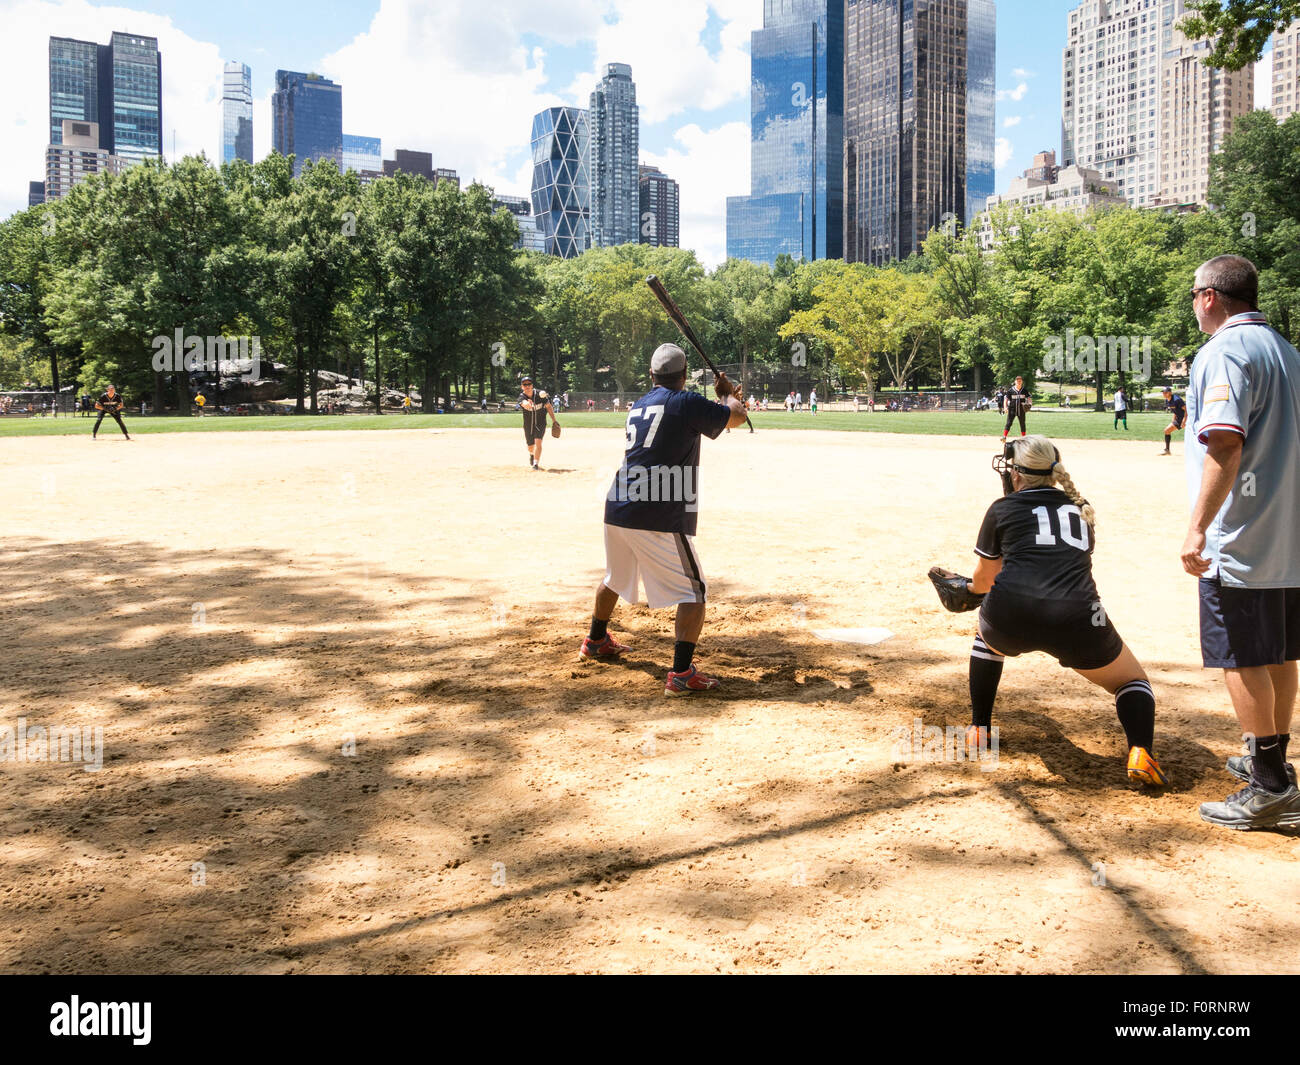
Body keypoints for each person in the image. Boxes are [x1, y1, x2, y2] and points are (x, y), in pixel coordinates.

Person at [959, 435, 1169, 785]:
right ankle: (1141, 752)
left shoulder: (1001, 508)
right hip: (1079, 617)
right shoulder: (1082, 509)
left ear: (1016, 475)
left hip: (1012, 615)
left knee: (987, 638)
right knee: (1132, 682)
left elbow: (984, 583)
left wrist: (963, 591)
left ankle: (979, 730)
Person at [1180, 254, 1300, 829]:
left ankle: (1270, 785)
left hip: (1243, 532)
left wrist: (1198, 525)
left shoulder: (1224, 352)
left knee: (1241, 653)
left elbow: (1225, 442)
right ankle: (1274, 761)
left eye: (1193, 295)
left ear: (1209, 297)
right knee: (1278, 651)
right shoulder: (1286, 350)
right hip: (1288, 530)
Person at [580, 344, 747, 695]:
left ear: (652, 376)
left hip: (618, 503)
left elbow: (717, 415)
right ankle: (682, 674)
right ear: (684, 377)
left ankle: (596, 640)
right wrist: (729, 396)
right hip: (656, 508)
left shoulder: (641, 404)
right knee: (694, 591)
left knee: (615, 577)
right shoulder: (685, 402)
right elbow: (736, 416)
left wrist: (724, 401)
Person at [518, 376, 560, 470]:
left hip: (540, 423)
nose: (527, 386)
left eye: (529, 384)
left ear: (532, 385)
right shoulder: (522, 397)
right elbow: (524, 404)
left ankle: (535, 464)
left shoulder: (540, 395)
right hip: (528, 425)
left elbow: (549, 407)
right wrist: (528, 404)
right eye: (525, 384)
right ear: (522, 387)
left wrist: (554, 420)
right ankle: (532, 455)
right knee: (530, 447)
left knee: (538, 443)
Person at [1002, 376, 1031, 441]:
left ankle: (1024, 438)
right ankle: (1004, 436)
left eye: (1020, 381)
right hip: (1012, 409)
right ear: (1015, 382)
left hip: (1021, 410)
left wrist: (1030, 404)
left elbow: (1029, 398)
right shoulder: (1010, 390)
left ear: (1022, 382)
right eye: (1017, 381)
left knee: (1022, 423)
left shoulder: (1024, 390)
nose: (1019, 382)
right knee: (1009, 423)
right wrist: (1005, 407)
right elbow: (1006, 399)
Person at [1159, 386, 1186, 456]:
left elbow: (1186, 410)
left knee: (1193, 434)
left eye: (1165, 392)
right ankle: (1167, 450)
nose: (1164, 394)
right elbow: (1175, 411)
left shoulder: (1177, 400)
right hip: (1178, 419)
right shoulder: (1167, 400)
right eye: (1163, 392)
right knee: (1167, 431)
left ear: (1170, 393)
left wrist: (1184, 420)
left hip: (1186, 419)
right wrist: (1173, 420)